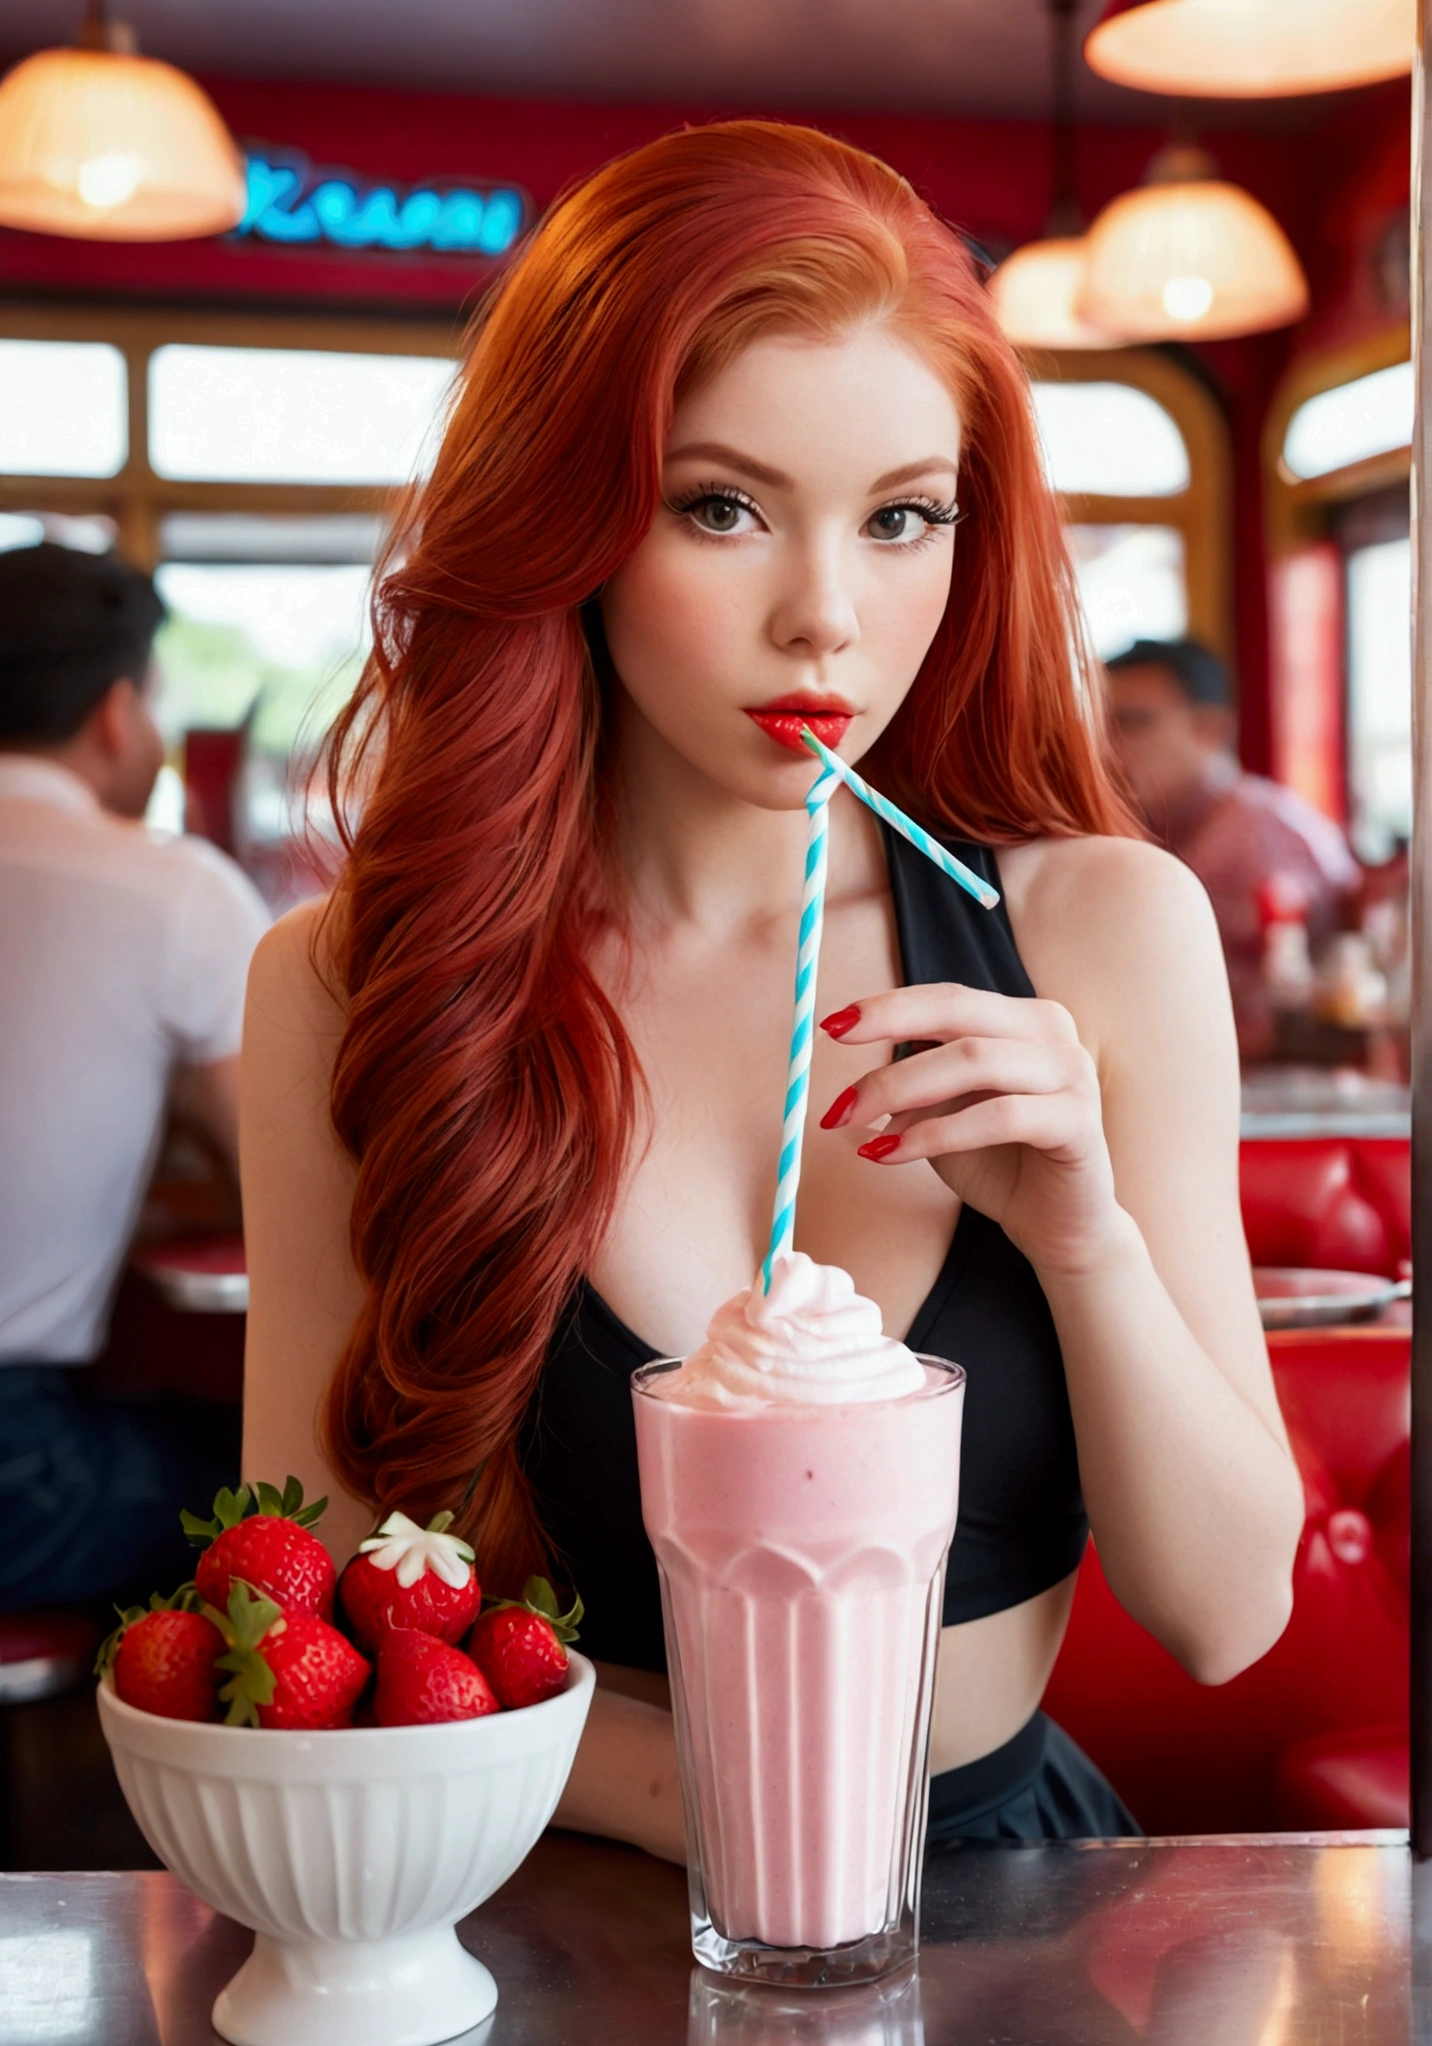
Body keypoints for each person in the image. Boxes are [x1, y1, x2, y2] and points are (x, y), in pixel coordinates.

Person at [242, 123, 1303, 1852]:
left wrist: (1084, 1238)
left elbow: (1224, 1612)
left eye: (902, 518)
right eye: (721, 506)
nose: (826, 618)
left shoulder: (1107, 929)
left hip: (1007, 1922)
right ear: (570, 517)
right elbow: (327, 1597)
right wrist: (737, 1818)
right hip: (553, 1905)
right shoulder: (350, 985)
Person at [0, 543, 269, 1609]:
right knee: (281, 1490)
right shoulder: (170, 892)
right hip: (18, 1469)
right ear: (118, 714)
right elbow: (281, 1177)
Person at [1105, 638, 1360, 1051]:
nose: (1107, 747)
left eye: (1133, 723)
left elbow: (1287, 1007)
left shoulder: (1264, 834)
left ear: (1211, 729)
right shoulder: (1146, 828)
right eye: (1099, 726)